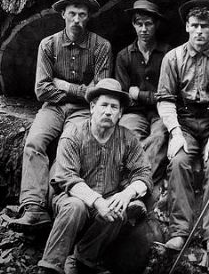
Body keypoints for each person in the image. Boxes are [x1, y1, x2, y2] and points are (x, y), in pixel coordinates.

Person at [10, 0, 112, 232]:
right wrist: (81, 90)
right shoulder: (48, 45)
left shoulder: (101, 47)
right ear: (63, 14)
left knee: (66, 148)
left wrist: (67, 86)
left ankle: (53, 206)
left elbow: (99, 93)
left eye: (83, 15)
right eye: (73, 14)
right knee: (35, 142)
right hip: (53, 107)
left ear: (88, 17)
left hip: (83, 111)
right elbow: (42, 90)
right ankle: (33, 207)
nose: (77, 20)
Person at [30, 78, 152, 274]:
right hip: (71, 198)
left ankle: (83, 259)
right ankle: (50, 266)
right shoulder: (74, 134)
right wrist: (96, 201)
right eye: (104, 105)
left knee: (122, 207)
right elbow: (66, 177)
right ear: (93, 107)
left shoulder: (128, 139)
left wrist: (126, 194)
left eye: (114, 107)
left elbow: (144, 173)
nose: (108, 111)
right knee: (75, 207)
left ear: (120, 113)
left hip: (106, 200)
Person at [156, 0, 209, 253]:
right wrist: (175, 133)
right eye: (195, 25)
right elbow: (165, 100)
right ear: (187, 27)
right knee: (178, 162)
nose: (200, 31)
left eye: (205, 26)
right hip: (184, 121)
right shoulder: (172, 58)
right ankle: (179, 231)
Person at [115, 0, 170, 184]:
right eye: (139, 24)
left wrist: (139, 95)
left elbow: (168, 95)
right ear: (133, 25)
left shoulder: (167, 54)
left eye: (149, 24)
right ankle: (130, 183)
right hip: (134, 112)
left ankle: (138, 184)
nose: (144, 29)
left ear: (157, 25)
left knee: (160, 136)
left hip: (160, 112)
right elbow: (124, 95)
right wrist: (147, 97)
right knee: (127, 135)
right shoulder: (124, 56)